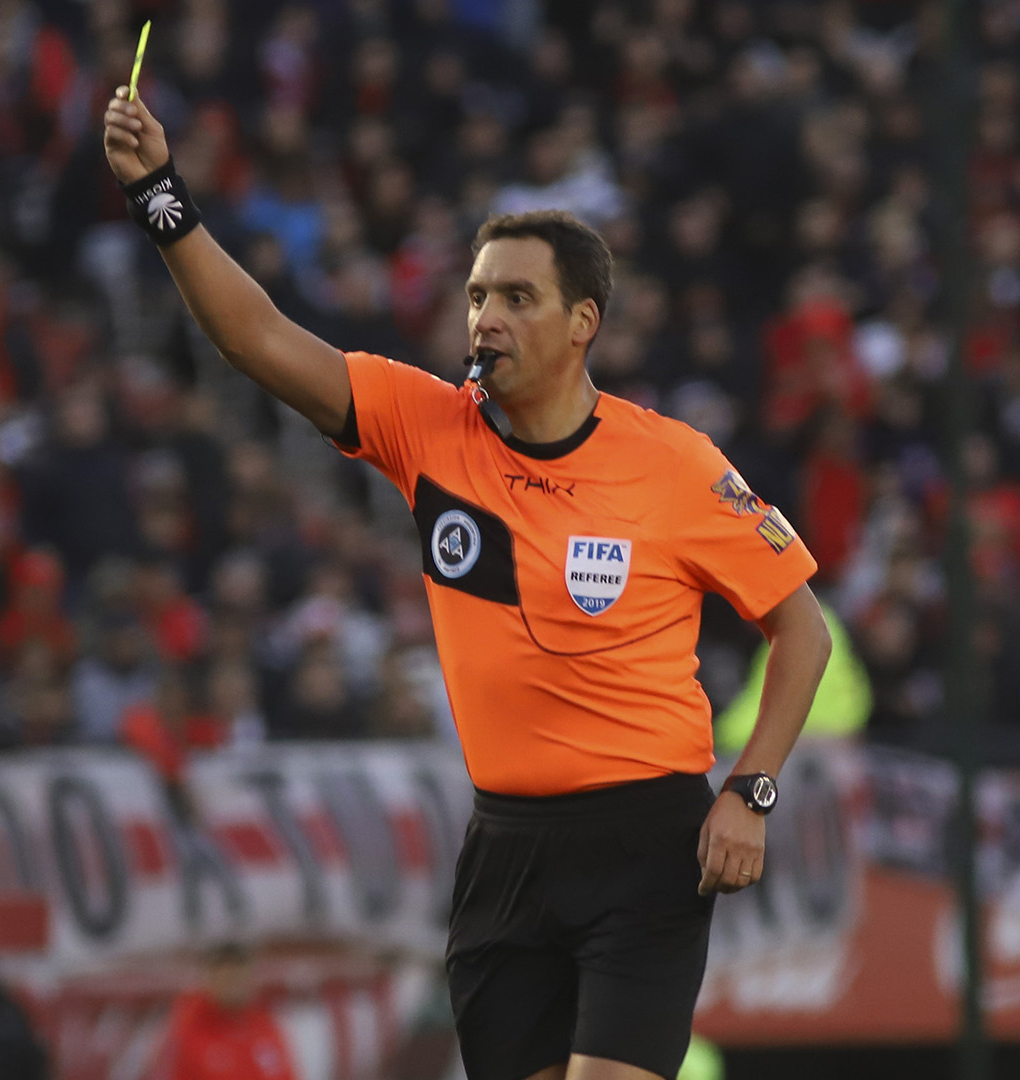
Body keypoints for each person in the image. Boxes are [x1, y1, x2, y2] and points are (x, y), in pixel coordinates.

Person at [105, 90, 832, 1080]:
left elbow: (805, 632)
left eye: (516, 299)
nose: (486, 317)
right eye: (478, 296)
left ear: (583, 323)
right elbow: (258, 339)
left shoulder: (675, 464)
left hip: (645, 845)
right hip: (506, 848)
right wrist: (159, 193)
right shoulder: (428, 428)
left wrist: (750, 791)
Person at [148, 944, 293, 1080]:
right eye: (224, 976)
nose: (231, 984)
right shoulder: (185, 1027)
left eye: (237, 975)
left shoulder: (264, 1023)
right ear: (208, 980)